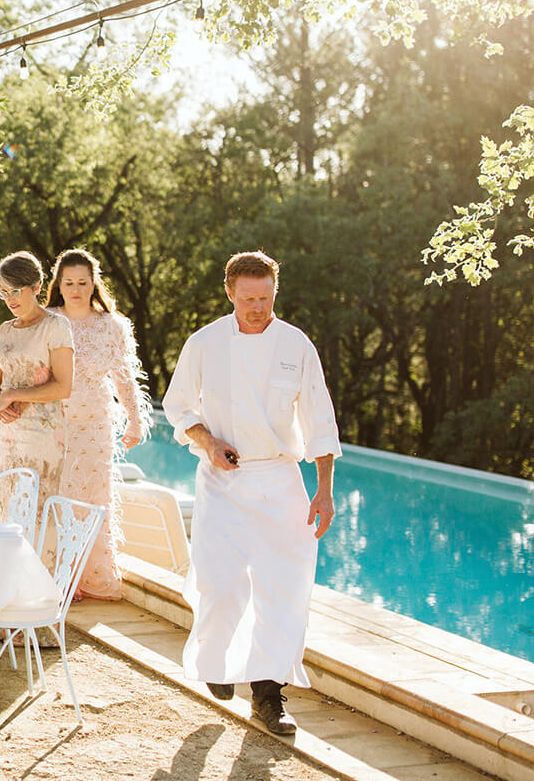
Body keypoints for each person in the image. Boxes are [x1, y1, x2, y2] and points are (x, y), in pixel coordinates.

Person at [161, 251, 340, 736]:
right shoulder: (205, 343)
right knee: (219, 584)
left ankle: (268, 696)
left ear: (275, 292)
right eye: (248, 300)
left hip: (281, 479)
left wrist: (323, 492)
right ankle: (218, 665)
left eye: (265, 298)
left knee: (283, 589)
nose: (257, 308)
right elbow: (176, 405)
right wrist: (209, 442)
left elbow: (320, 422)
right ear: (230, 294)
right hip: (222, 480)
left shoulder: (296, 345)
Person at [45, 249, 151, 601]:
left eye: (83, 283)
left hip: (96, 425)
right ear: (59, 284)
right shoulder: (45, 321)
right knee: (57, 495)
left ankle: (89, 574)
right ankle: (58, 575)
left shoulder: (112, 325)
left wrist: (136, 421)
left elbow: (124, 378)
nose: (76, 289)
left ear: (94, 284)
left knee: (92, 496)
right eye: (69, 282)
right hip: (53, 422)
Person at [0, 250, 75, 506]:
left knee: (36, 516)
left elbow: (63, 386)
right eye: (3, 292)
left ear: (36, 286)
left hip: (41, 437)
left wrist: (11, 395)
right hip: (5, 436)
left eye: (15, 290)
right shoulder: (4, 330)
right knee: (6, 513)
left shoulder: (56, 326)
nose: (9, 299)